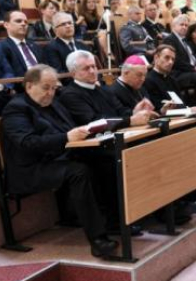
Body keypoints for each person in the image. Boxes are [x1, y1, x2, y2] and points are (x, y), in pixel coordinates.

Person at [1, 65, 117, 257]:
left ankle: (115, 220)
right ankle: (98, 239)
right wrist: (66, 138)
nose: (50, 93)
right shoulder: (16, 109)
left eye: (54, 88)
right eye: (46, 88)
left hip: (57, 158)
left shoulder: (54, 103)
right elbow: (26, 143)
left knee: (106, 158)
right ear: (29, 86)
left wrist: (87, 132)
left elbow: (70, 128)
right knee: (79, 171)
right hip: (30, 169)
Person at [58, 50, 156, 130]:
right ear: (73, 73)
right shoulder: (70, 95)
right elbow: (94, 122)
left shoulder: (103, 90)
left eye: (93, 66)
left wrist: (135, 112)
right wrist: (131, 120)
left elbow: (120, 111)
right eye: (86, 68)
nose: (92, 71)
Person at [43, 12, 90, 77]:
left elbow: (93, 66)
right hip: (71, 84)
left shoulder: (82, 45)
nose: (68, 26)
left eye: (70, 23)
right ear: (55, 30)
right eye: (63, 24)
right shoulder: (51, 48)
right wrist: (82, 77)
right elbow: (59, 72)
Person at [0, 11, 44, 79]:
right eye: (18, 21)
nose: (23, 24)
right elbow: (7, 73)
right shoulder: (2, 47)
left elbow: (45, 66)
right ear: (6, 25)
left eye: (26, 22)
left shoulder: (34, 45)